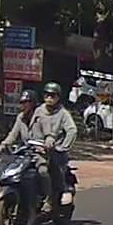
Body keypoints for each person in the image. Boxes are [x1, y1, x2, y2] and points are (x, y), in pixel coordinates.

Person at [30, 82, 78, 215]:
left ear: (58, 97)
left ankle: (49, 200)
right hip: (37, 149)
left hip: (55, 153)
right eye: (47, 95)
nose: (49, 98)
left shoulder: (63, 114)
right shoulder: (39, 110)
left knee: (47, 172)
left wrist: (63, 147)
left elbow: (72, 130)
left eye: (53, 95)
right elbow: (30, 128)